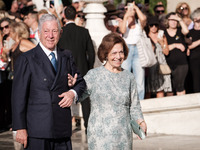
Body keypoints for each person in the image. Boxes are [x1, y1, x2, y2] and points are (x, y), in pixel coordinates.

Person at [12, 14, 86, 150]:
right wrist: (20, 127)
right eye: (46, 31)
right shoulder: (27, 59)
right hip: (37, 131)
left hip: (61, 129)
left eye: (54, 31)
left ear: (60, 33)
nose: (50, 36)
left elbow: (81, 83)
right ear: (39, 33)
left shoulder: (67, 56)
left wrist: (72, 92)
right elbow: (18, 96)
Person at [73, 32, 147, 149]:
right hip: (99, 136)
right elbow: (78, 96)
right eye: (114, 53)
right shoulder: (93, 75)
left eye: (121, 52)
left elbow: (134, 106)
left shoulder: (129, 77)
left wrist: (140, 121)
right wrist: (73, 85)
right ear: (105, 54)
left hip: (123, 135)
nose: (118, 56)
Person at [58, 5, 95, 133]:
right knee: (85, 99)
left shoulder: (60, 33)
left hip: (64, 71)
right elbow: (91, 52)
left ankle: (64, 127)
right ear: (75, 16)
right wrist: (89, 67)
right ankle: (88, 127)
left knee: (64, 98)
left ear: (64, 16)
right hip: (82, 69)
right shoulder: (84, 31)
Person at [118, 1, 147, 100]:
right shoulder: (123, 22)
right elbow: (122, 31)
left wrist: (135, 8)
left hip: (138, 50)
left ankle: (140, 101)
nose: (130, 10)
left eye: (132, 9)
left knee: (139, 78)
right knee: (125, 78)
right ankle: (127, 101)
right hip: (127, 50)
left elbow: (143, 19)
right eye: (128, 8)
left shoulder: (139, 23)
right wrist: (126, 15)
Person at [145, 16, 172, 98]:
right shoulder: (145, 36)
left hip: (161, 64)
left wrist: (161, 43)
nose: (153, 27)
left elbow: (166, 52)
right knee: (148, 89)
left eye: (155, 25)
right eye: (151, 25)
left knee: (160, 89)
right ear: (148, 26)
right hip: (150, 63)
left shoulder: (162, 36)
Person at [164, 12, 189, 95]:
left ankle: (183, 106)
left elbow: (186, 31)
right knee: (170, 88)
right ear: (167, 21)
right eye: (171, 20)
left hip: (181, 64)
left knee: (180, 86)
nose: (174, 22)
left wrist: (180, 19)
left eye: (175, 20)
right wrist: (175, 45)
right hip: (168, 64)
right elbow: (163, 48)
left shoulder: (180, 31)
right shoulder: (163, 33)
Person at [187, 8, 200, 92]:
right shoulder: (189, 32)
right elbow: (190, 46)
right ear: (194, 19)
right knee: (196, 80)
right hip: (194, 60)